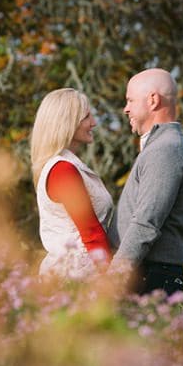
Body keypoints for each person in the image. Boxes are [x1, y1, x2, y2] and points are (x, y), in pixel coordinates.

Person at [109, 68, 183, 295]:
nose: (125, 108)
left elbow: (146, 222)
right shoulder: (164, 145)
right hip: (148, 274)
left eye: (130, 100)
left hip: (150, 279)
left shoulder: (165, 150)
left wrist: (114, 276)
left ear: (153, 100)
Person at [30, 88, 115, 279]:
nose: (93, 123)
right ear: (67, 123)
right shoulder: (63, 171)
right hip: (79, 276)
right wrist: (112, 281)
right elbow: (91, 232)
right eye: (86, 117)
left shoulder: (66, 166)